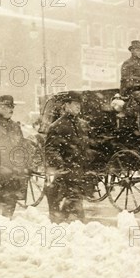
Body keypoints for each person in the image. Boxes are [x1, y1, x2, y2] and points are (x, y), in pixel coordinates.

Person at [44, 91, 90, 223]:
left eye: (79, 104)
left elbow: (86, 148)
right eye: (75, 104)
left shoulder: (83, 125)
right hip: (62, 175)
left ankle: (69, 226)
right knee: (57, 208)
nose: (78, 107)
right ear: (66, 105)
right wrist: (62, 165)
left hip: (77, 174)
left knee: (74, 207)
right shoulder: (57, 126)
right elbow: (51, 149)